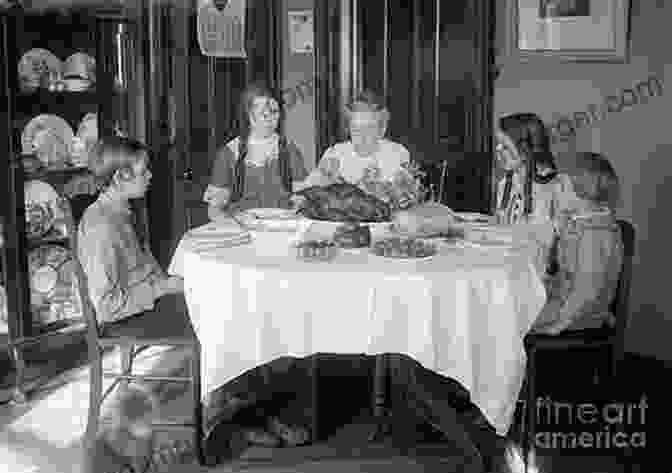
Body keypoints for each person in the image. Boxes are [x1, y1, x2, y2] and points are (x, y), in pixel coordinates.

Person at [77, 136, 184, 324]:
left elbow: (143, 265)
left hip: (148, 298)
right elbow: (106, 308)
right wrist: (162, 289)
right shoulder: (102, 227)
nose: (150, 175)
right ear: (119, 178)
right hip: (130, 317)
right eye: (143, 171)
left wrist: (168, 284)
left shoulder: (120, 210)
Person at [531, 152, 624, 334]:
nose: (554, 191)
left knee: (511, 316)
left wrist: (558, 325)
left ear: (582, 191)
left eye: (560, 186)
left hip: (576, 317)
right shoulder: (581, 225)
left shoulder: (595, 234)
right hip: (567, 306)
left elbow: (586, 293)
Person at [299, 89, 424, 211]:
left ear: (382, 130)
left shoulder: (397, 153)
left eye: (369, 129)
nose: (361, 137)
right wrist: (323, 177)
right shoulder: (335, 153)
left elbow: (410, 200)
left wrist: (390, 190)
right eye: (356, 129)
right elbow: (306, 193)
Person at [204, 82, 308, 221]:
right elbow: (214, 210)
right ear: (248, 115)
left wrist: (298, 208)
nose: (270, 118)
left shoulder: (289, 150)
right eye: (263, 114)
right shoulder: (229, 153)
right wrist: (231, 223)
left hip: (282, 228)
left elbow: (302, 200)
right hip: (242, 231)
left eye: (274, 112)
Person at [494, 113, 575, 226]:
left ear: (526, 150)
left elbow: (565, 234)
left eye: (505, 146)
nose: (498, 149)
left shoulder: (558, 186)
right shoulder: (504, 186)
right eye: (498, 143)